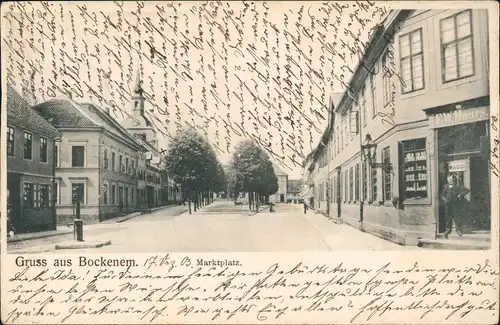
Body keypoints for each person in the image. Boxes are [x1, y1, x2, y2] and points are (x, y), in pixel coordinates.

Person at [441, 174, 470, 238]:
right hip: (447, 205)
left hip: (455, 204)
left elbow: (467, 190)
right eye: (448, 180)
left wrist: (460, 195)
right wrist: (445, 200)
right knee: (448, 218)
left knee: (456, 217)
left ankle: (458, 229)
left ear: (453, 179)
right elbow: (442, 195)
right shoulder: (445, 187)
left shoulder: (457, 186)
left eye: (451, 179)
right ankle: (448, 230)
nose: (449, 181)